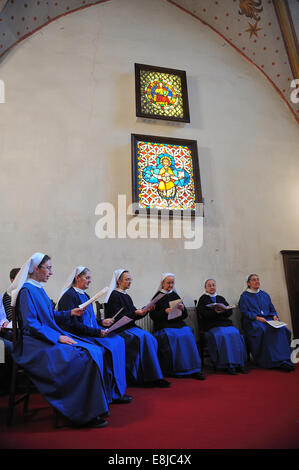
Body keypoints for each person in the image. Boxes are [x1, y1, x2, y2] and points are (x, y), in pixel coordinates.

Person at [7, 252, 113, 428]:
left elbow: (50, 316)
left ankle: (91, 408)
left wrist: (70, 313)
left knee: (93, 350)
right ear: (35, 268)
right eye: (48, 268)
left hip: (43, 337)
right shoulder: (26, 291)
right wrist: (58, 336)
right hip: (33, 344)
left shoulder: (38, 288)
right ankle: (80, 412)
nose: (51, 272)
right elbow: (31, 324)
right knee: (83, 357)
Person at [56, 266, 131, 405]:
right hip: (79, 336)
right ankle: (108, 394)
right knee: (107, 350)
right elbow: (73, 325)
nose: (90, 281)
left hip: (90, 333)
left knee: (118, 341)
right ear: (77, 278)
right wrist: (97, 332)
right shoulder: (68, 297)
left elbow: (89, 319)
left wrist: (102, 321)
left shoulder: (85, 295)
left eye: (90, 278)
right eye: (87, 278)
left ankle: (116, 391)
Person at [105, 269, 170, 388]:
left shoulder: (127, 296)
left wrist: (146, 310)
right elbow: (116, 318)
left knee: (150, 339)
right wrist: (135, 313)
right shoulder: (114, 296)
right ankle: (145, 378)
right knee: (144, 338)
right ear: (118, 281)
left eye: (130, 279)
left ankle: (152, 375)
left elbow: (135, 314)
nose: (130, 282)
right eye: (127, 279)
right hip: (119, 330)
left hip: (130, 328)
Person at [150, 273, 205, 380]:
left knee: (188, 333)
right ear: (162, 283)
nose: (171, 285)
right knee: (174, 336)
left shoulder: (175, 295)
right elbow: (153, 316)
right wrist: (164, 312)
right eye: (168, 283)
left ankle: (193, 369)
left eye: (172, 283)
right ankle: (176, 369)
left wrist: (182, 309)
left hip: (177, 324)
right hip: (164, 326)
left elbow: (184, 315)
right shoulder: (157, 297)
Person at [239, 274, 294, 371]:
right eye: (254, 280)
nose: (257, 281)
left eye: (258, 279)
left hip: (268, 320)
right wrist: (256, 317)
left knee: (282, 329)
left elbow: (272, 309)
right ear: (248, 283)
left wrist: (274, 316)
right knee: (265, 330)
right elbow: (244, 312)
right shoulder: (244, 296)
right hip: (253, 322)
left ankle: (285, 359)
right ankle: (272, 362)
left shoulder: (265, 295)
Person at [196, 279, 247, 375]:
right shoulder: (203, 299)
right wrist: (214, 312)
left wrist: (224, 310)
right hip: (211, 325)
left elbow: (229, 311)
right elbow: (202, 314)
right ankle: (227, 364)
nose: (212, 287)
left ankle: (239, 364)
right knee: (223, 335)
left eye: (213, 285)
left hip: (225, 323)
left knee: (235, 333)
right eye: (209, 285)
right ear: (205, 288)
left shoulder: (220, 298)